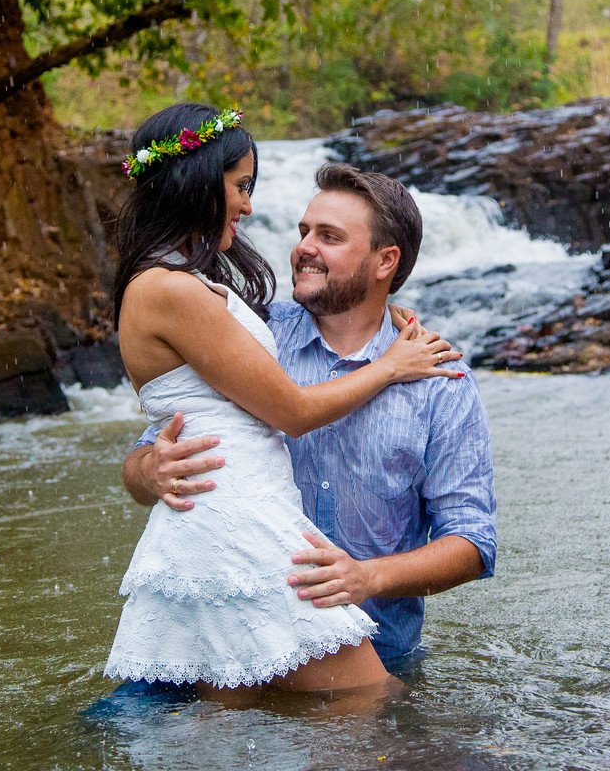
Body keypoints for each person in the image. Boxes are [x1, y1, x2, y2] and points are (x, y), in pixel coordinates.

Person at [102, 103, 463, 699]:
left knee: (228, 717)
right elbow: (290, 412)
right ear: (196, 183)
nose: (247, 204)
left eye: (330, 236)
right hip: (240, 525)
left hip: (241, 522)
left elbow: (474, 540)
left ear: (385, 262)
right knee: (375, 705)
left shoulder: (187, 286)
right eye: (240, 186)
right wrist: (389, 366)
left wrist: (378, 324)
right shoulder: (172, 291)